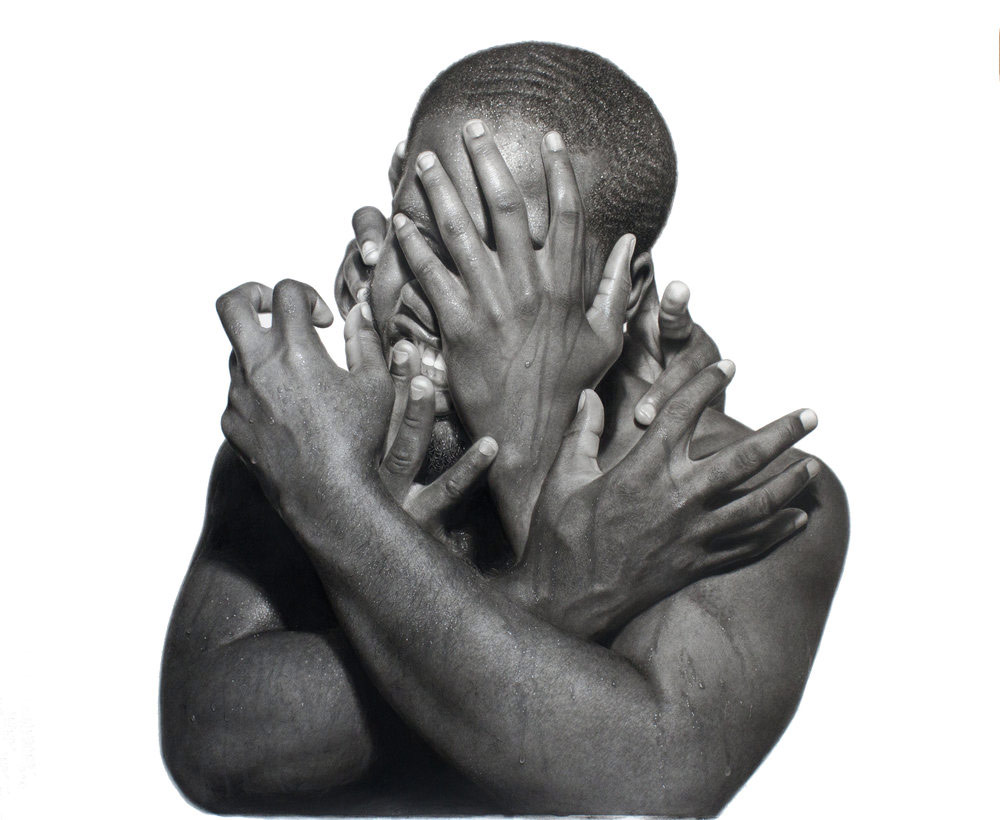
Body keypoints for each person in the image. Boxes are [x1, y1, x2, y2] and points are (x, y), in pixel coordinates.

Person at [160, 42, 848, 817]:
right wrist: (547, 595)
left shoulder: (742, 487)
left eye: (509, 258)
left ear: (622, 289)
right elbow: (213, 743)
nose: (446, 300)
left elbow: (643, 784)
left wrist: (346, 498)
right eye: (423, 237)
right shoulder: (314, 428)